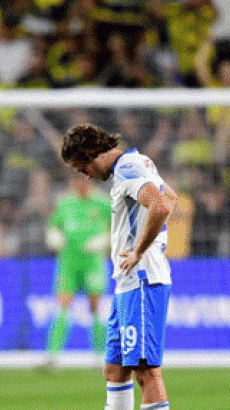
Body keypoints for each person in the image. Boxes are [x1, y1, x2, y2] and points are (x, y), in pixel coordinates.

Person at [60, 124, 177, 410]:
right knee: (115, 370)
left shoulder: (127, 168)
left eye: (83, 168)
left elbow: (161, 206)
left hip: (142, 279)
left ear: (90, 152)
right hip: (127, 282)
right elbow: (171, 197)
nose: (86, 176)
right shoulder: (137, 163)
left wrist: (140, 250)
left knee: (146, 373)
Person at [38, 173, 112, 372]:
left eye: (83, 180)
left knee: (95, 308)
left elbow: (118, 229)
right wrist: (53, 235)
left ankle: (101, 357)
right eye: (76, 180)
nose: (80, 184)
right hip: (68, 262)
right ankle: (52, 357)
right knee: (63, 306)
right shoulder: (65, 203)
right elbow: (53, 225)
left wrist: (105, 240)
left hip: (93, 263)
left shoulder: (103, 203)